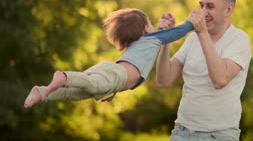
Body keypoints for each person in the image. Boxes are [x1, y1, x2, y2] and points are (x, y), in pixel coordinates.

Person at [148, 0, 252, 141]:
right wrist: (165, 40)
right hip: (182, 135)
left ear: (228, 9)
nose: (204, 12)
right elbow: (163, 79)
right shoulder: (192, 41)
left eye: (210, 7)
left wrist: (202, 33)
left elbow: (220, 79)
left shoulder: (239, 40)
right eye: (202, 5)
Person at [24, 8, 194, 108]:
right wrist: (192, 23)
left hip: (111, 73)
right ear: (146, 29)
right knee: (88, 85)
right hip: (115, 74)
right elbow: (176, 33)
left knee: (77, 93)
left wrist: (160, 27)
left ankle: (42, 93)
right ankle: (65, 76)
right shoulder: (151, 39)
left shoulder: (140, 42)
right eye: (150, 24)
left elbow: (160, 36)